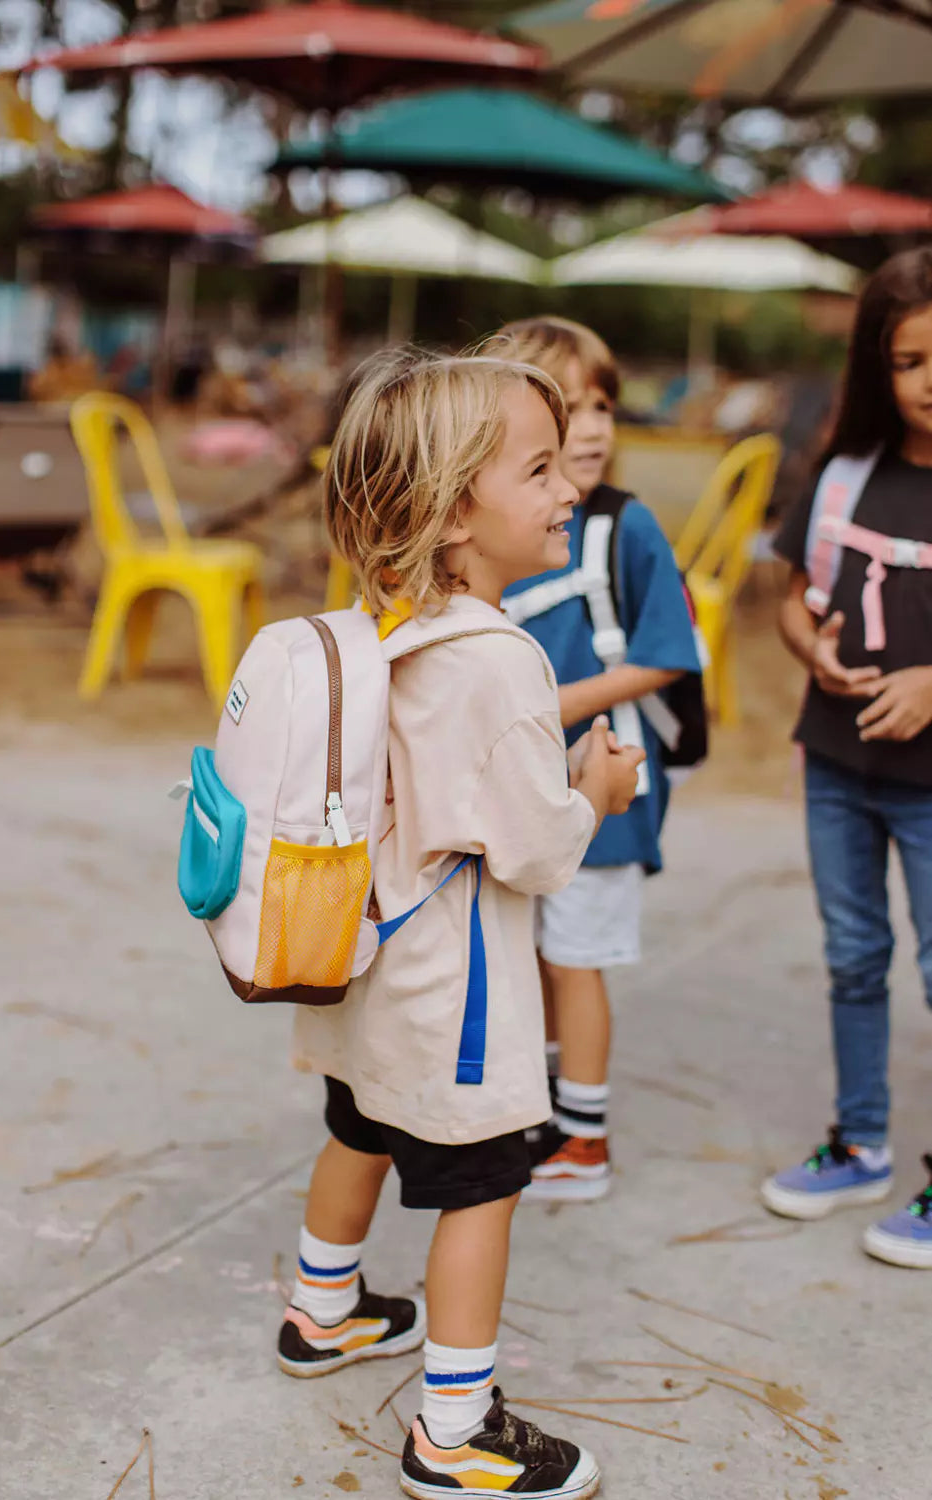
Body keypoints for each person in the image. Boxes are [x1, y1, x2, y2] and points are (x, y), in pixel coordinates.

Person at [278, 349, 644, 1498]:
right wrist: (598, 791)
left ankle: (321, 1310)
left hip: (364, 974)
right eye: (537, 469)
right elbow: (535, 853)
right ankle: (453, 1432)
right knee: (480, 1189)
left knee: (358, 1131)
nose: (566, 490)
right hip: (458, 1002)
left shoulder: (372, 626)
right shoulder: (498, 660)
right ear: (449, 514)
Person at [484, 317, 702, 1202]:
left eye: (603, 404)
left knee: (577, 955)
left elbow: (667, 653)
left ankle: (582, 1138)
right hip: (523, 783)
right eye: (568, 407)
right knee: (533, 945)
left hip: (604, 776)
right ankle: (540, 1107)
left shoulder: (625, 526)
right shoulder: (501, 526)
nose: (596, 425)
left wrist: (548, 709)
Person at [761, 247, 932, 1270]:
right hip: (834, 765)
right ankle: (857, 1142)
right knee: (852, 957)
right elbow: (791, 596)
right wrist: (809, 651)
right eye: (910, 361)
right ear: (879, 367)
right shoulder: (842, 474)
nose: (930, 382)